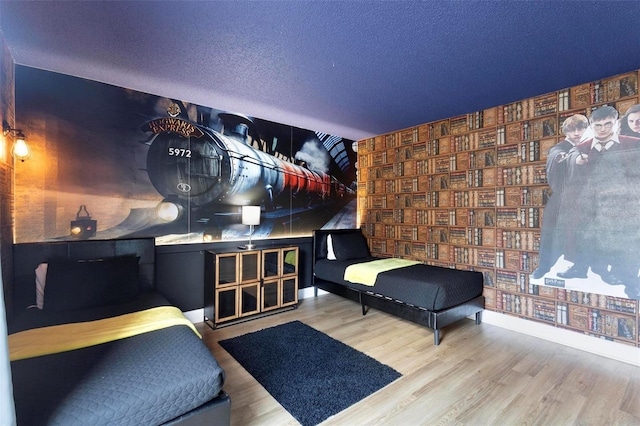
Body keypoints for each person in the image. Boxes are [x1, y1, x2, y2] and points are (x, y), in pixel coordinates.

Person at [555, 106, 640, 298]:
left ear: (616, 122)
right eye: (598, 125)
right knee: (584, 236)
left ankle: (630, 282)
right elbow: (567, 161)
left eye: (608, 124)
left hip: (623, 204)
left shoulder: (633, 143)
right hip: (589, 203)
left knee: (625, 241)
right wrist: (575, 160)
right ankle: (584, 267)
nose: (603, 129)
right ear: (592, 126)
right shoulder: (582, 148)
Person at [530, 114, 588, 279]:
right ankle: (544, 266)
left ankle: (581, 268)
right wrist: (571, 158)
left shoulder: (590, 145)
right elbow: (556, 156)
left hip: (584, 197)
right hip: (562, 196)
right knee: (550, 232)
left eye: (580, 128)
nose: (576, 133)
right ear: (566, 132)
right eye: (572, 130)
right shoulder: (560, 147)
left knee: (583, 233)